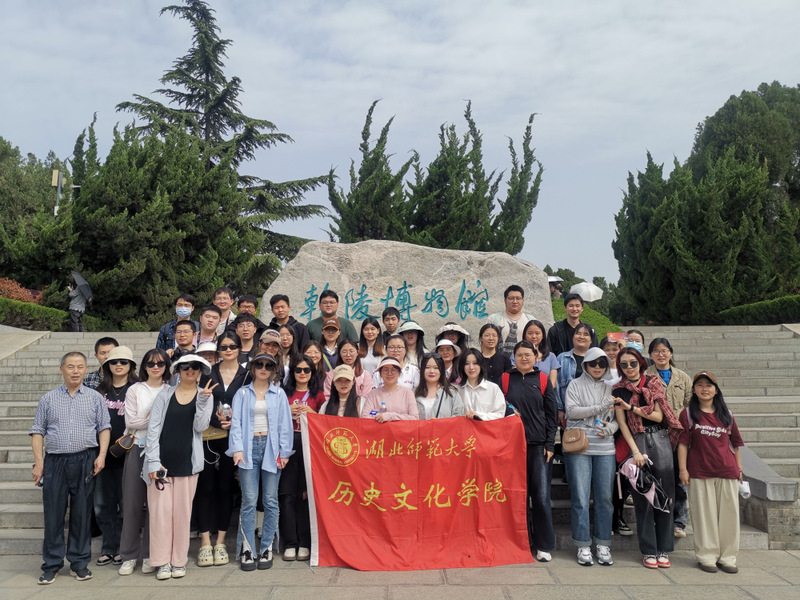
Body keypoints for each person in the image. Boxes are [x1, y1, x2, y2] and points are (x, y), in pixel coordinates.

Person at [30, 351, 111, 585]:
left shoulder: (95, 398)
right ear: (61, 369)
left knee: (82, 514)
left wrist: (101, 455)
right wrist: (39, 462)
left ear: (86, 369)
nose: (75, 371)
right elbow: (38, 431)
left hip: (86, 459)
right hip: (55, 462)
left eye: (80, 366)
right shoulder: (48, 398)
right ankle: (52, 564)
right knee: (53, 514)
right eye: (70, 366)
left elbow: (104, 427)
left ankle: (79, 563)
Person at [144, 354, 214, 580]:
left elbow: (201, 427)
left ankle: (178, 561)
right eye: (185, 366)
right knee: (160, 515)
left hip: (188, 462)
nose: (190, 370)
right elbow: (153, 428)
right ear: (178, 370)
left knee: (182, 516)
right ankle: (161, 561)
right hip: (161, 463)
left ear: (200, 371)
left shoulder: (205, 395)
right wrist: (152, 461)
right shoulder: (165, 394)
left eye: (195, 366)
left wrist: (202, 402)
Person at [612, 348, 683, 570]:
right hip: (637, 440)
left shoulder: (652, 383)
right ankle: (649, 549)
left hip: (660, 439)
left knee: (665, 495)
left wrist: (632, 408)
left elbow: (659, 416)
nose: (629, 368)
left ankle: (664, 548)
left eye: (632, 363)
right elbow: (622, 424)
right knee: (643, 496)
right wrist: (634, 451)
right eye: (624, 364)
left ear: (640, 363)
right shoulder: (618, 389)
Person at [227, 354, 293, 571]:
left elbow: (285, 424)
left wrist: (284, 452)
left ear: (274, 370)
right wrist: (237, 449)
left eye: (268, 365)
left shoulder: (279, 394)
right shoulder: (242, 393)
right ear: (253, 368)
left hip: (271, 447)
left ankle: (267, 547)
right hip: (248, 446)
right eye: (259, 364)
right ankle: (247, 548)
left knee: (271, 500)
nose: (263, 368)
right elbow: (236, 423)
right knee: (249, 500)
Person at [678, 371, 745, 574]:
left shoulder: (727, 415)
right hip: (699, 472)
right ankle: (707, 556)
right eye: (700, 385)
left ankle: (728, 557)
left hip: (727, 471)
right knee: (704, 517)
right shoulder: (688, 414)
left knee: (729, 517)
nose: (704, 389)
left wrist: (739, 469)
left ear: (716, 390)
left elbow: (735, 444)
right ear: (694, 390)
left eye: (709, 385)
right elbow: (682, 444)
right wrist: (683, 470)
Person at [194, 334, 249, 569]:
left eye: (232, 346)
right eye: (223, 346)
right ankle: (205, 541)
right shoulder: (208, 373)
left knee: (226, 489)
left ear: (239, 348)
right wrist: (215, 419)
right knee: (205, 488)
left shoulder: (247, 374)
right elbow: (198, 402)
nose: (228, 350)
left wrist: (235, 420)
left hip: (233, 440)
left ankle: (221, 542)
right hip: (208, 437)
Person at [563, 347, 618, 566]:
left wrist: (610, 428)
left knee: (605, 498)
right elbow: (571, 411)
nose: (597, 367)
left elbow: (617, 418)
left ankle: (603, 543)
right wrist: (599, 407)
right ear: (585, 364)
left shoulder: (611, 387)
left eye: (602, 363)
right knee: (580, 497)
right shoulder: (575, 385)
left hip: (605, 447)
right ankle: (583, 544)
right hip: (580, 446)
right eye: (593, 363)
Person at [503, 340, 558, 563]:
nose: (524, 358)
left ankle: (544, 545)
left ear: (536, 357)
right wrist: (508, 410)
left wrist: (550, 444)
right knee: (518, 497)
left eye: (528, 354)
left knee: (541, 497)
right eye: (519, 355)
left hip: (538, 446)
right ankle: (522, 542)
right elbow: (498, 406)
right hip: (512, 447)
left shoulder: (543, 379)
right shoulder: (506, 379)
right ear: (514, 358)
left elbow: (552, 414)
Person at [118, 349, 171, 576]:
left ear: (166, 366)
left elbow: (171, 423)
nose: (155, 367)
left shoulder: (170, 390)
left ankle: (151, 553)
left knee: (156, 506)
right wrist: (157, 420)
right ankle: (129, 555)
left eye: (160, 363)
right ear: (144, 366)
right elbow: (131, 421)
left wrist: (150, 420)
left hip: (160, 451)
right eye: (150, 363)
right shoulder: (135, 389)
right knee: (132, 503)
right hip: (137, 448)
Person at [94, 346, 139, 568]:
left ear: (131, 365)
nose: (118, 365)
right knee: (102, 505)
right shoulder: (99, 390)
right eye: (113, 362)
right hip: (102, 455)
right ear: (106, 366)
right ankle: (108, 547)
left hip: (129, 454)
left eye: (123, 361)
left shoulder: (137, 388)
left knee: (125, 504)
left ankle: (123, 547)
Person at [279, 355, 325, 561]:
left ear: (312, 373)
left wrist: (312, 413)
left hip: (310, 447)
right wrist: (286, 411)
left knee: (306, 495)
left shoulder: (319, 395)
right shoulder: (283, 394)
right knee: (287, 495)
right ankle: (290, 542)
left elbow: (326, 423)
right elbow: (273, 418)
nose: (303, 373)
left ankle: (305, 542)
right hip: (288, 446)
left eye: (307, 370)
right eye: (298, 370)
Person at [647, 338, 693, 538]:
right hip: (655, 434)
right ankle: (658, 518)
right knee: (656, 478)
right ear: (650, 355)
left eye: (664, 351)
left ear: (671, 353)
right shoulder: (646, 376)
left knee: (678, 480)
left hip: (679, 434)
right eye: (656, 351)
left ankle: (679, 521)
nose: (661, 354)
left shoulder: (682, 377)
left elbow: (690, 404)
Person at [556, 323, 595, 426]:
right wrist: (559, 409)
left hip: (592, 413)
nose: (581, 337)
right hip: (568, 414)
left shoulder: (596, 359)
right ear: (573, 337)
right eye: (578, 333)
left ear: (591, 340)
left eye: (586, 334)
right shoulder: (562, 358)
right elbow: (556, 385)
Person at [362, 357, 420, 421]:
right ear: (380, 374)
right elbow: (365, 416)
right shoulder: (373, 394)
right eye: (386, 370)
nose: (389, 373)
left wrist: (391, 416)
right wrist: (380, 417)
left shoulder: (408, 393)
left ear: (399, 373)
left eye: (393, 370)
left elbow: (415, 418)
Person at [487, 285, 536, 358]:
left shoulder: (531, 320)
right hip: (498, 362)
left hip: (524, 361)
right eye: (511, 298)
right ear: (505, 300)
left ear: (522, 301)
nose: (515, 301)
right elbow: (485, 343)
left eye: (518, 298)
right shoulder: (493, 319)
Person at [457, 349, 506, 421]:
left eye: (475, 363)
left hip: (486, 427)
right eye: (467, 364)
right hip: (463, 428)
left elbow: (500, 414)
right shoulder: (457, 390)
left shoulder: (493, 389)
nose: (471, 367)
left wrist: (479, 416)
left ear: (481, 365)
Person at [415, 353, 464, 419]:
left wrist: (440, 423)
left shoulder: (452, 393)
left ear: (442, 370)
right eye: (427, 367)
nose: (432, 371)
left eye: (436, 368)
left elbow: (459, 416)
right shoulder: (413, 393)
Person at [521, 320, 559, 388]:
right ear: (525, 335)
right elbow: (516, 378)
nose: (533, 336)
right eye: (530, 333)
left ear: (542, 336)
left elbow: (552, 383)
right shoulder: (517, 355)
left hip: (545, 392)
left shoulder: (551, 356)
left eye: (537, 333)